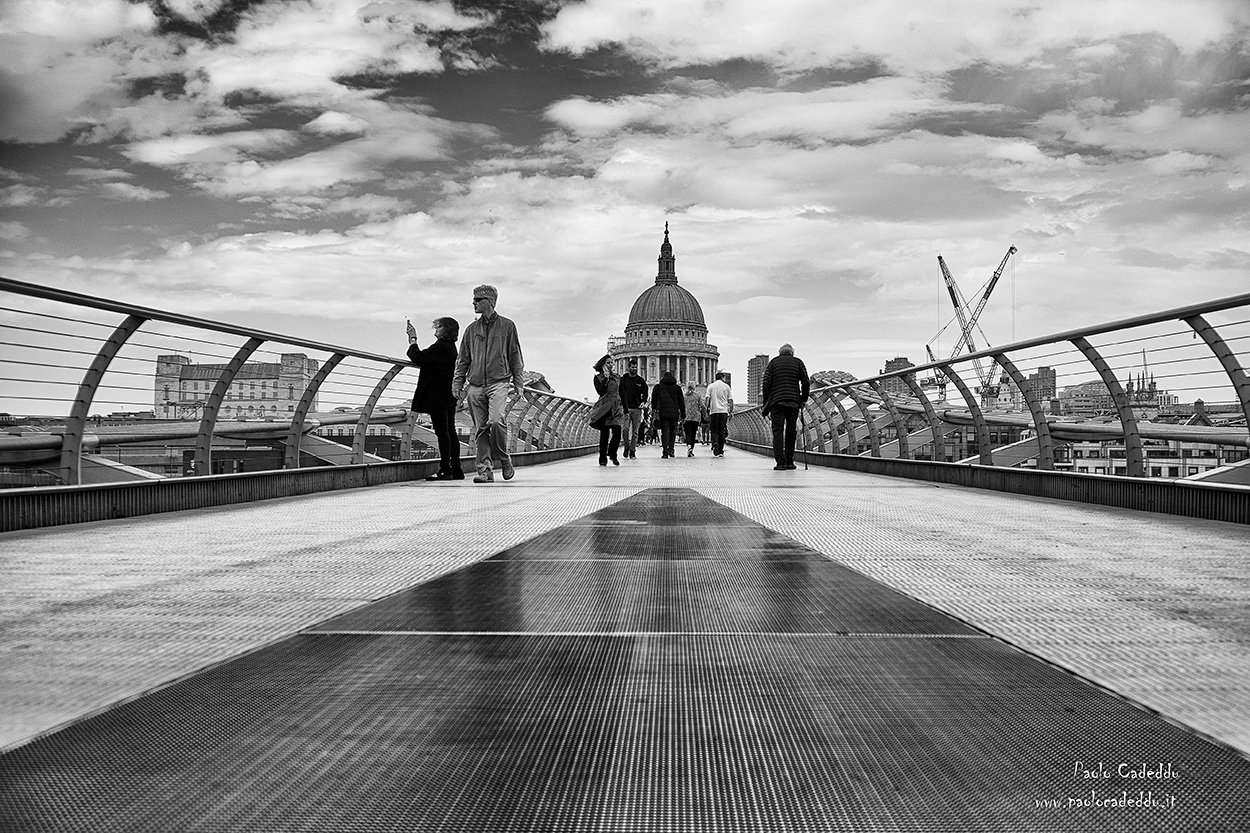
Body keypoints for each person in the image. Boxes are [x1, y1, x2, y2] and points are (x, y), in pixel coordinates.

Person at [452, 284, 525, 484]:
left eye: (478, 299)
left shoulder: (507, 326)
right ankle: (485, 471)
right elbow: (463, 360)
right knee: (481, 429)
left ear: (490, 302)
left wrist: (518, 383)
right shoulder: (471, 329)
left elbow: (515, 356)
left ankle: (503, 458)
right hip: (474, 385)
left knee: (496, 420)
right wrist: (457, 384)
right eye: (473, 299)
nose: (473, 303)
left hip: (499, 382)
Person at [406, 316, 463, 481]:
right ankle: (456, 469)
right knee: (450, 432)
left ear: (445, 329)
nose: (435, 330)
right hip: (448, 395)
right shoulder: (451, 348)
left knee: (442, 433)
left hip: (437, 396)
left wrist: (412, 339)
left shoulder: (441, 347)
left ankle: (446, 469)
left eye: (438, 327)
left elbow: (418, 357)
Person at [761, 343, 811, 471]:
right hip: (793, 401)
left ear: (780, 352)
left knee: (777, 432)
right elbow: (806, 381)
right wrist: (803, 399)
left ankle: (780, 462)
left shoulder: (773, 363)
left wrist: (766, 403)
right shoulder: (798, 362)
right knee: (791, 431)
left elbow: (766, 384)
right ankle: (790, 460)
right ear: (792, 352)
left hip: (777, 402)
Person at [588, 354, 623, 466]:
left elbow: (622, 393)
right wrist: (606, 378)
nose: (611, 365)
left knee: (617, 431)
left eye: (612, 362)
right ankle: (602, 458)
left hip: (616, 408)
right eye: (608, 363)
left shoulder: (617, 377)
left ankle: (612, 453)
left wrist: (625, 409)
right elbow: (601, 391)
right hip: (604, 408)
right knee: (604, 435)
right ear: (603, 365)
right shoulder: (598, 378)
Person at [649, 370, 685, 458]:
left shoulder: (658, 387)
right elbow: (681, 402)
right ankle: (671, 449)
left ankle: (665, 451)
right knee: (673, 431)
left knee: (665, 431)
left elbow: (653, 400)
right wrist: (683, 414)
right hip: (674, 412)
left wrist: (654, 410)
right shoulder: (677, 388)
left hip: (662, 412)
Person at [618, 360, 649, 459]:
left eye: (636, 367)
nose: (634, 369)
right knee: (625, 429)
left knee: (635, 432)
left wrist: (643, 402)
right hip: (625, 408)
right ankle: (626, 447)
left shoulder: (640, 380)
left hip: (637, 409)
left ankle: (632, 451)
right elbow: (619, 392)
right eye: (633, 367)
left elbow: (645, 392)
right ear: (628, 368)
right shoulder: (623, 379)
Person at [705, 370, 733, 457]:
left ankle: (715, 443)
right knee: (721, 431)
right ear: (722, 378)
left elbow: (707, 399)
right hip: (723, 411)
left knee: (714, 430)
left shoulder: (711, 386)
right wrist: (731, 411)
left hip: (714, 411)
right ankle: (720, 450)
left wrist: (707, 410)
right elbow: (731, 400)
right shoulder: (726, 387)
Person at [682, 382, 704, 457]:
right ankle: (691, 450)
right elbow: (702, 405)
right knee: (693, 434)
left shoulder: (684, 396)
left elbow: (681, 406)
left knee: (688, 433)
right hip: (695, 417)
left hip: (686, 417)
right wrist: (704, 413)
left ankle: (688, 446)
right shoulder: (698, 395)